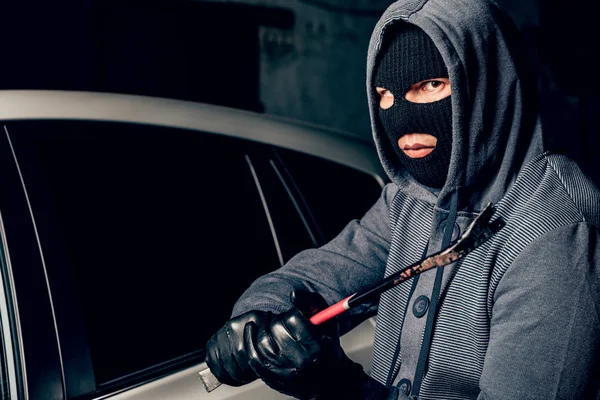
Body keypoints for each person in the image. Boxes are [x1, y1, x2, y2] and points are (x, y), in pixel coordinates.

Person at [205, 0, 600, 398]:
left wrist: (344, 388)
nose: (403, 120)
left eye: (430, 85)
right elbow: (313, 277)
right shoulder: (409, 199)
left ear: (488, 83)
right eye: (385, 94)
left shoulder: (557, 230)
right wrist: (256, 321)